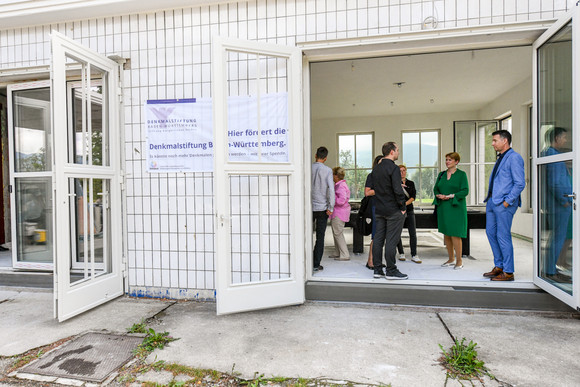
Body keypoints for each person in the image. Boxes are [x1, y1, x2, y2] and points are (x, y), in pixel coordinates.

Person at [483, 130, 525, 281]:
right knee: (491, 233)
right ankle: (499, 265)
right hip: (492, 202)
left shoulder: (514, 158)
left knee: (503, 236)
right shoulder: (501, 158)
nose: (493, 143)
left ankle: (508, 271)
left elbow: (520, 183)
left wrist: (507, 201)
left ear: (505, 141)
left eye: (495, 140)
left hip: (504, 204)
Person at [371, 142, 408, 280]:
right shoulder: (393, 168)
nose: (398, 152)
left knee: (378, 239)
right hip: (393, 210)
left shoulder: (376, 169)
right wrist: (403, 207)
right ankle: (391, 270)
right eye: (397, 150)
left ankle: (377, 269)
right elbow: (398, 190)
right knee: (392, 241)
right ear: (391, 152)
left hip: (379, 209)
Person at [541, 127, 573, 282]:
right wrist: (565, 201)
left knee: (556, 238)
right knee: (557, 238)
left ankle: (550, 269)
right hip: (560, 205)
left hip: (560, 204)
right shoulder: (552, 155)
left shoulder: (551, 154)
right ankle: (549, 271)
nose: (565, 140)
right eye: (564, 137)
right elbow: (554, 183)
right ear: (557, 138)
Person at [433, 152, 469, 269]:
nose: (447, 162)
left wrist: (451, 196)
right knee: (446, 233)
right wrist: (438, 195)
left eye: (450, 160)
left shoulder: (461, 175)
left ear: (456, 162)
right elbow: (436, 188)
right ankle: (451, 258)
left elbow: (465, 191)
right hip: (444, 207)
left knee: (455, 234)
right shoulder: (441, 174)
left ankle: (459, 261)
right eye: (446, 160)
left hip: (456, 207)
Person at [312, 146, 335, 272]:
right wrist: (331, 207)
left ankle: (305, 262)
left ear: (315, 155)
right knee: (320, 237)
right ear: (325, 158)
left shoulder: (308, 168)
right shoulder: (327, 170)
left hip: (308, 207)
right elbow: (331, 190)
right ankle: (316, 264)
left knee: (305, 236)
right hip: (322, 208)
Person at [396, 164, 421, 263]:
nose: (402, 172)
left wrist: (404, 204)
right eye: (400, 171)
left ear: (406, 172)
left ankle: (414, 254)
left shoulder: (411, 183)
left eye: (403, 170)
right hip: (398, 211)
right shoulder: (395, 183)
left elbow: (413, 197)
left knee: (413, 233)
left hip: (409, 210)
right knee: (397, 233)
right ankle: (401, 253)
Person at [365, 155, 384, 270]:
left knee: (381, 236)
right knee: (376, 235)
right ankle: (370, 261)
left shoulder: (386, 177)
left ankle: (377, 260)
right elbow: (367, 192)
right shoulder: (371, 176)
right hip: (376, 207)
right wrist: (382, 189)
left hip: (385, 207)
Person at [329, 167, 351, 261]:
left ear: (336, 176)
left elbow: (341, 200)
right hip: (338, 212)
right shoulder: (339, 184)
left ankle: (345, 254)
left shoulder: (340, 186)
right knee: (336, 233)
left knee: (338, 233)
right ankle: (337, 252)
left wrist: (332, 199)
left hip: (339, 213)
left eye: (332, 174)